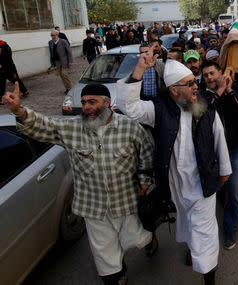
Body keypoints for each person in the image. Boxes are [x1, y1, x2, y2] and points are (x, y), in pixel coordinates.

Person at [2, 82, 155, 285]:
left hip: (126, 201)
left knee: (136, 238)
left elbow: (145, 154)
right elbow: (43, 125)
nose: (86, 108)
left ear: (108, 103)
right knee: (105, 252)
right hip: (92, 205)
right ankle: (117, 276)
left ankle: (150, 242)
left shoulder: (129, 128)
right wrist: (19, 111)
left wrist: (144, 181)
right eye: (83, 103)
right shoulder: (72, 127)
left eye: (92, 102)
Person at [116, 51, 231, 285]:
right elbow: (128, 107)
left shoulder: (204, 107)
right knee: (188, 223)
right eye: (189, 84)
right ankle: (193, 250)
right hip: (176, 184)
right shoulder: (159, 109)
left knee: (205, 231)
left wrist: (225, 169)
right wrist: (139, 69)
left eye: (194, 82)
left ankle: (209, 276)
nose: (195, 87)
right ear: (173, 90)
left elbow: (219, 135)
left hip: (203, 183)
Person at [199, 61, 238, 250]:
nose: (209, 78)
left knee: (236, 194)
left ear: (221, 72)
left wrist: (228, 90)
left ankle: (230, 228)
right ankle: (206, 232)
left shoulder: (236, 89)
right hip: (213, 154)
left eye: (212, 73)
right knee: (213, 192)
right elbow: (204, 113)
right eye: (205, 75)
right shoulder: (202, 95)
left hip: (237, 150)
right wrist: (219, 91)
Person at [48, 29, 72, 94]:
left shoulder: (63, 41)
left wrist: (70, 61)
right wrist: (52, 63)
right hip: (57, 61)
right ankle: (67, 88)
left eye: (54, 35)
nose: (53, 36)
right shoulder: (50, 42)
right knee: (61, 75)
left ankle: (70, 88)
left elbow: (69, 51)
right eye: (51, 35)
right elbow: (51, 53)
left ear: (57, 35)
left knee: (64, 74)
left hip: (64, 60)